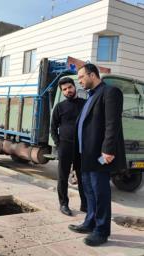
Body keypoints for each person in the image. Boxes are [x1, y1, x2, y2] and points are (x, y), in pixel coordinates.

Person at [68, 63, 126, 246]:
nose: (80, 82)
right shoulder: (90, 97)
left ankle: (102, 230)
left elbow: (112, 123)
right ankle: (90, 222)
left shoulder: (110, 92)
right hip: (85, 155)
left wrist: (108, 149)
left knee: (100, 193)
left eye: (81, 78)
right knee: (89, 192)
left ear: (92, 75)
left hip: (99, 154)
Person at [51, 77, 87, 216]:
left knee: (82, 177)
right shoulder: (59, 107)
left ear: (74, 87)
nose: (68, 91)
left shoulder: (85, 104)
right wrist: (58, 144)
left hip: (81, 148)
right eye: (64, 89)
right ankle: (64, 204)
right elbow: (53, 128)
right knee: (63, 177)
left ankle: (85, 205)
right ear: (62, 92)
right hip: (65, 146)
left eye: (69, 87)